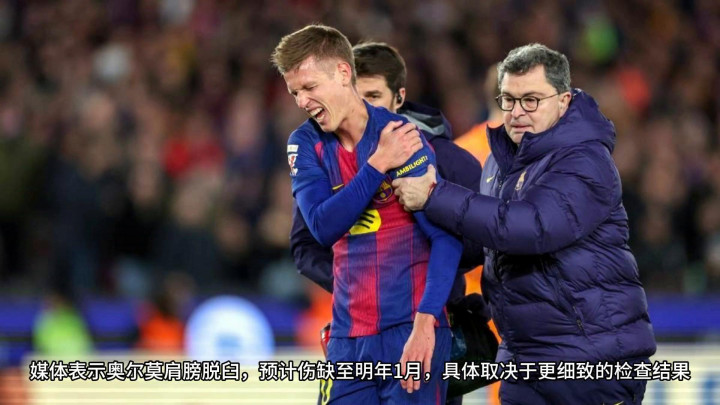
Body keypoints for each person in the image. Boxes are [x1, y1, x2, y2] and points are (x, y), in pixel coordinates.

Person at [392, 43, 657, 405]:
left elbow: (531, 228)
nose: (517, 112)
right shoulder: (498, 164)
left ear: (563, 101)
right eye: (508, 100)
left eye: (531, 100)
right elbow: (490, 243)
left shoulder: (584, 159)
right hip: (523, 360)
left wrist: (435, 196)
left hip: (592, 362)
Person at [289, 41, 488, 405]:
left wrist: (426, 296)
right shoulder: (315, 147)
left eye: (374, 96)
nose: (365, 105)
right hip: (352, 329)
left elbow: (474, 241)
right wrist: (361, 287)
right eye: (359, 95)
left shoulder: (444, 157)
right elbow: (309, 243)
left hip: (424, 321)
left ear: (399, 98)